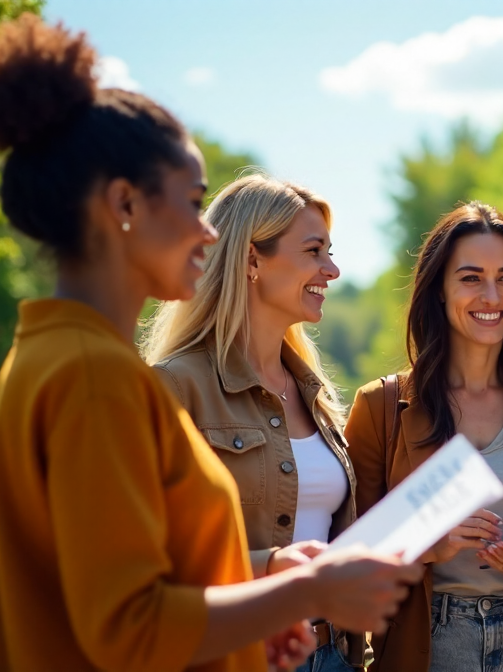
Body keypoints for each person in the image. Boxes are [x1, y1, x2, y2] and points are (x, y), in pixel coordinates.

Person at [0, 15, 419, 672]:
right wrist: (306, 590)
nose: (208, 233)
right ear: (124, 205)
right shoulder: (95, 375)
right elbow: (129, 628)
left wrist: (261, 610)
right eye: (194, 202)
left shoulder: (50, 352)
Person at [345, 202, 503, 672]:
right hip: (424, 642)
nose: (491, 296)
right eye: (471, 278)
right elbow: (352, 557)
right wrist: (434, 545)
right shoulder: (381, 407)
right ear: (438, 290)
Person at [143, 174, 365, 671]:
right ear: (251, 260)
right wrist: (270, 566)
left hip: (330, 655)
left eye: (330, 251)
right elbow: (149, 559)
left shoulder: (318, 397)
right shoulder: (175, 387)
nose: (331, 269)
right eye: (314, 251)